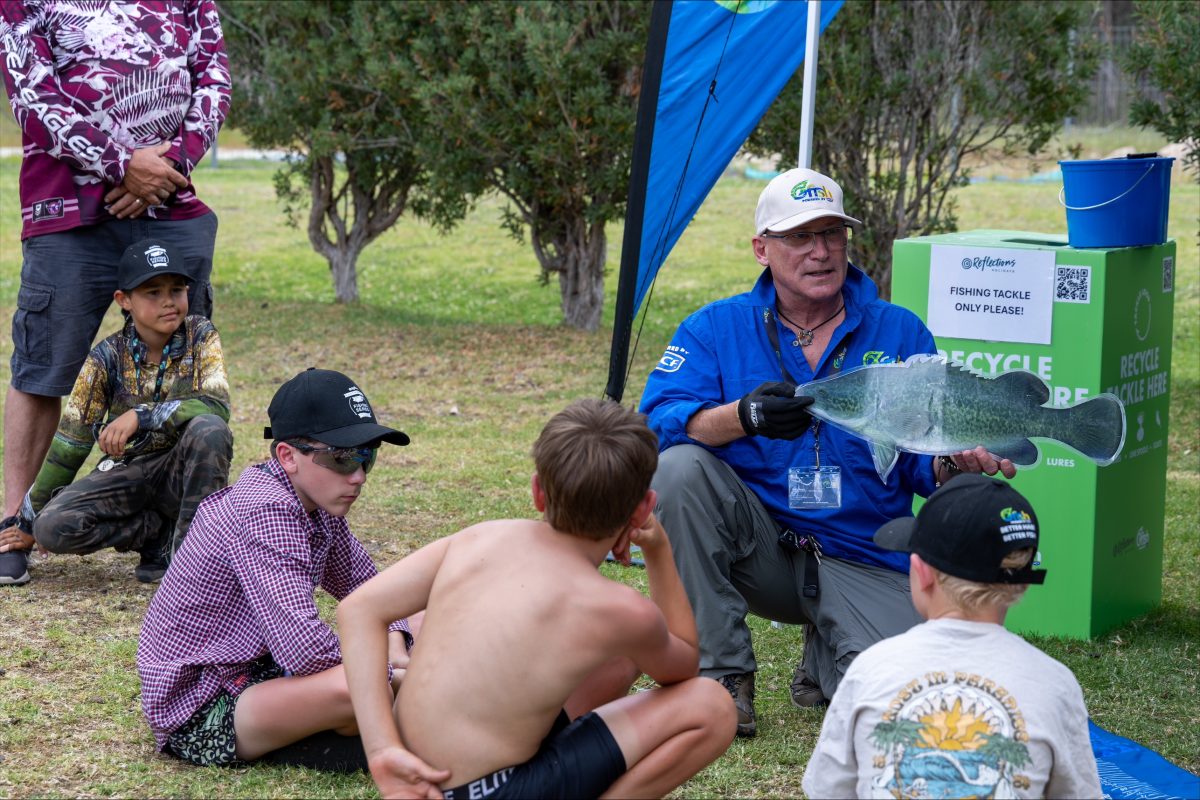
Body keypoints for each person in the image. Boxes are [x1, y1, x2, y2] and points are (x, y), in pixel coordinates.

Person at [639, 167, 1016, 736]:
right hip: (759, 548)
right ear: (761, 249)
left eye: (832, 234)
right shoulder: (714, 328)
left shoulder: (901, 332)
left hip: (862, 553)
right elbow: (654, 424)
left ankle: (827, 654)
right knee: (677, 471)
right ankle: (721, 674)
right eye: (799, 237)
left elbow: (917, 460)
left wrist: (948, 463)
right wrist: (744, 416)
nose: (820, 252)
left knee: (906, 703)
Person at [338, 399, 737, 799]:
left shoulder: (480, 537)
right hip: (492, 791)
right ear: (645, 508)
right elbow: (685, 665)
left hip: (412, 773)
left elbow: (358, 609)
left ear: (537, 492)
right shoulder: (621, 610)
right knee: (712, 705)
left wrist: (382, 749)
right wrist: (659, 549)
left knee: (621, 654)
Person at [0, 1, 231, 582]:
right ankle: (12, 525)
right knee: (44, 368)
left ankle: (175, 527)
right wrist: (120, 164)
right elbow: (32, 93)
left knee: (184, 364)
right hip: (68, 212)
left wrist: (166, 167)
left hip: (171, 203)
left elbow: (214, 77)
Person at [136, 368, 420, 772]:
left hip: (264, 668)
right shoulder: (267, 509)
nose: (357, 476)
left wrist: (394, 637)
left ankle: (343, 728)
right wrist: (395, 671)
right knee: (359, 686)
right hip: (203, 699)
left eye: (366, 456)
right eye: (341, 457)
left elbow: (373, 590)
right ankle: (354, 730)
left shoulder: (319, 502)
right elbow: (305, 651)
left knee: (425, 616)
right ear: (287, 456)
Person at [801, 474, 1103, 798]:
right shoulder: (1055, 684)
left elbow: (828, 789)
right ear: (1022, 582)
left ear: (922, 572)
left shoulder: (869, 670)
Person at [0, 238, 231, 585]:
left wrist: (141, 415)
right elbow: (68, 448)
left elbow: (216, 405)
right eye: (153, 292)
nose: (168, 301)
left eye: (177, 289)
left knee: (210, 430)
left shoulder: (200, 335)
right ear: (124, 301)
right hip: (129, 473)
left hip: (180, 469)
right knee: (53, 527)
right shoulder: (105, 358)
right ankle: (155, 536)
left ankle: (193, 567)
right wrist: (28, 524)